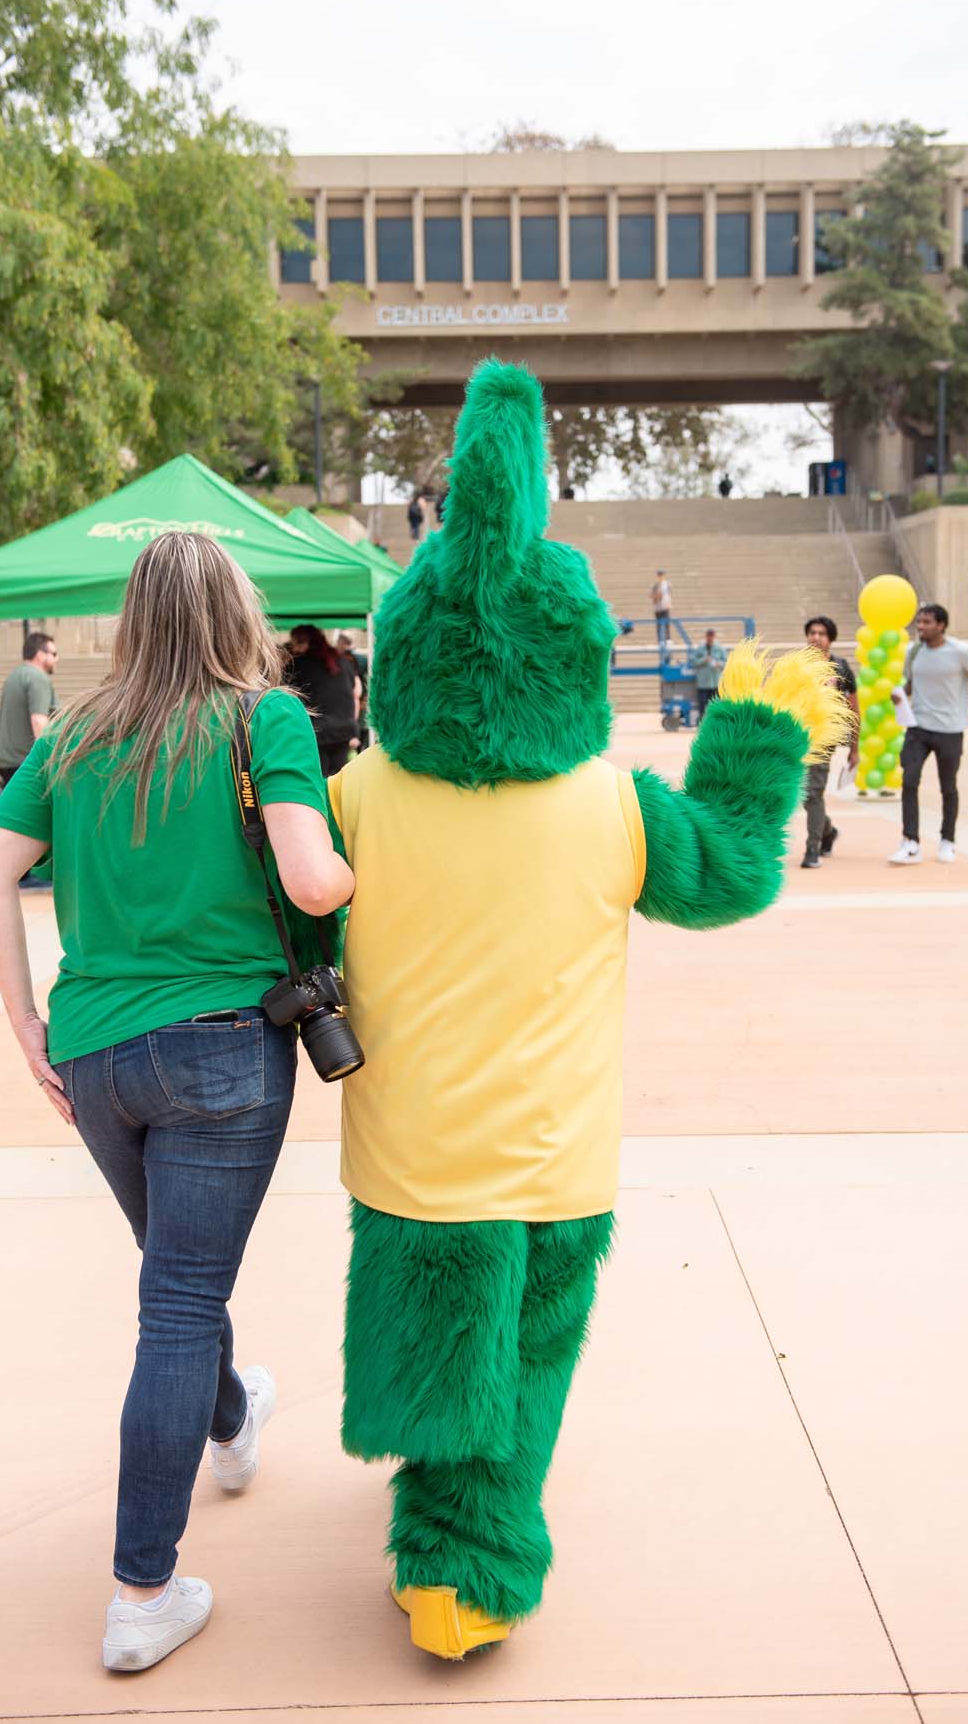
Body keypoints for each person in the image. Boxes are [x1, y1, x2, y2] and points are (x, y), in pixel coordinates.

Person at [334, 359, 847, 1662]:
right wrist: (752, 741)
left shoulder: (357, 797)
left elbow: (275, 907)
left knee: (440, 1330)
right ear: (576, 656)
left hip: (407, 1148)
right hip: (555, 1156)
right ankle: (467, 1562)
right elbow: (732, 869)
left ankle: (437, 1504)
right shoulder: (612, 804)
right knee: (528, 1356)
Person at [0, 532, 354, 1674]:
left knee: (178, 1277)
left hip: (94, 1056)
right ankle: (143, 1589)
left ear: (133, 615)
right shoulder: (263, 718)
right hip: (225, 1048)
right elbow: (312, 878)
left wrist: (25, 1022)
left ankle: (231, 1418)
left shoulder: (78, 731)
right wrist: (365, 866)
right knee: (180, 1300)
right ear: (237, 610)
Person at [889, 602, 968, 866]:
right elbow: (910, 683)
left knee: (948, 787)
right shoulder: (913, 652)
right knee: (909, 780)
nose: (920, 627)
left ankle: (948, 840)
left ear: (941, 625)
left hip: (950, 729)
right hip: (918, 728)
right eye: (919, 622)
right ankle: (910, 842)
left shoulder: (960, 651)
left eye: (926, 622)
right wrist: (900, 694)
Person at [800, 615, 859, 868]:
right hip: (798, 736)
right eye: (812, 632)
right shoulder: (797, 666)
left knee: (813, 792)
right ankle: (827, 830)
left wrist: (855, 747)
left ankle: (812, 849)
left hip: (824, 738)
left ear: (830, 639)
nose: (815, 637)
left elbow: (854, 709)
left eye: (821, 633)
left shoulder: (841, 668)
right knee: (802, 794)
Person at [283, 623, 359, 778]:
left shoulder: (298, 665)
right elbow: (356, 693)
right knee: (340, 781)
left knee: (318, 781)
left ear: (304, 643)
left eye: (295, 643)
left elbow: (285, 696)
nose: (293, 649)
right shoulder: (344, 662)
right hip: (344, 729)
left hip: (316, 731)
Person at [0, 632, 57, 787]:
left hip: (7, 762)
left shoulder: (15, 675)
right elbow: (38, 721)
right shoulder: (37, 678)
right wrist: (47, 763)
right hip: (26, 764)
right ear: (40, 655)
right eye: (54, 654)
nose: (57, 659)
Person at [336, 631, 370, 751]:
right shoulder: (344, 660)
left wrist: (364, 699)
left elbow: (361, 688)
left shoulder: (359, 660)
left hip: (357, 705)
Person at [691, 628, 727, 719]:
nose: (710, 638)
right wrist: (704, 659)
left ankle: (716, 723)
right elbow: (693, 661)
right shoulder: (700, 648)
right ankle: (702, 723)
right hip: (703, 683)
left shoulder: (720, 648)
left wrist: (719, 663)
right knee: (702, 705)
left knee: (717, 704)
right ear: (706, 637)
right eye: (709, 636)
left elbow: (726, 662)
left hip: (715, 682)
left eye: (712, 636)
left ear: (714, 637)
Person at [650, 569, 673, 652]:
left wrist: (669, 602)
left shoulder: (667, 584)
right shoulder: (655, 585)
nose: (660, 576)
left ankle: (668, 639)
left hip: (665, 607)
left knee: (667, 624)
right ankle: (660, 640)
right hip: (658, 608)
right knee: (659, 625)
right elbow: (652, 596)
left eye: (662, 575)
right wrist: (657, 595)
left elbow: (669, 594)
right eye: (659, 575)